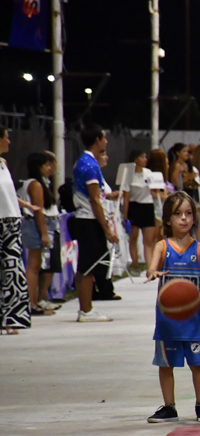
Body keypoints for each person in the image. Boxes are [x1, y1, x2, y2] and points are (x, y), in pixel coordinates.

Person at [145, 192, 200, 423]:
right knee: (166, 364)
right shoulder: (162, 247)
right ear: (167, 219)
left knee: (198, 364)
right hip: (168, 320)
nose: (184, 219)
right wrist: (154, 272)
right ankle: (169, 406)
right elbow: (151, 269)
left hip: (195, 318)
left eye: (188, 214)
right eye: (177, 214)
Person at [71, 125, 118, 322]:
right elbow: (95, 200)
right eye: (104, 138)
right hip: (89, 220)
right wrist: (107, 228)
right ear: (97, 139)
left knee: (87, 266)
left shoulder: (84, 162)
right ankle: (86, 310)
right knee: (89, 267)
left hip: (86, 219)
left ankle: (86, 308)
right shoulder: (90, 165)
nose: (106, 142)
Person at [1, 126, 35, 334]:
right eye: (6, 137)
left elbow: (9, 193)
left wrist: (26, 205)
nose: (9, 142)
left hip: (11, 221)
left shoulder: (4, 165)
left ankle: (12, 318)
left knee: (12, 271)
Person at [19, 152, 61, 316]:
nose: (49, 168)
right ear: (38, 167)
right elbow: (39, 211)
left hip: (38, 225)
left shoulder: (38, 183)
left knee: (36, 266)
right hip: (36, 226)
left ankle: (34, 302)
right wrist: (44, 233)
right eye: (46, 165)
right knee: (34, 267)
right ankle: (32, 303)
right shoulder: (35, 185)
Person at [122, 150, 158, 272]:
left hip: (147, 206)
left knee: (148, 239)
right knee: (133, 237)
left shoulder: (148, 173)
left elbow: (154, 191)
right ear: (136, 159)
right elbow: (126, 196)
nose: (145, 159)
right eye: (142, 157)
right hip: (134, 206)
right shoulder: (128, 175)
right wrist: (125, 214)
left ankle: (150, 267)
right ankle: (135, 264)